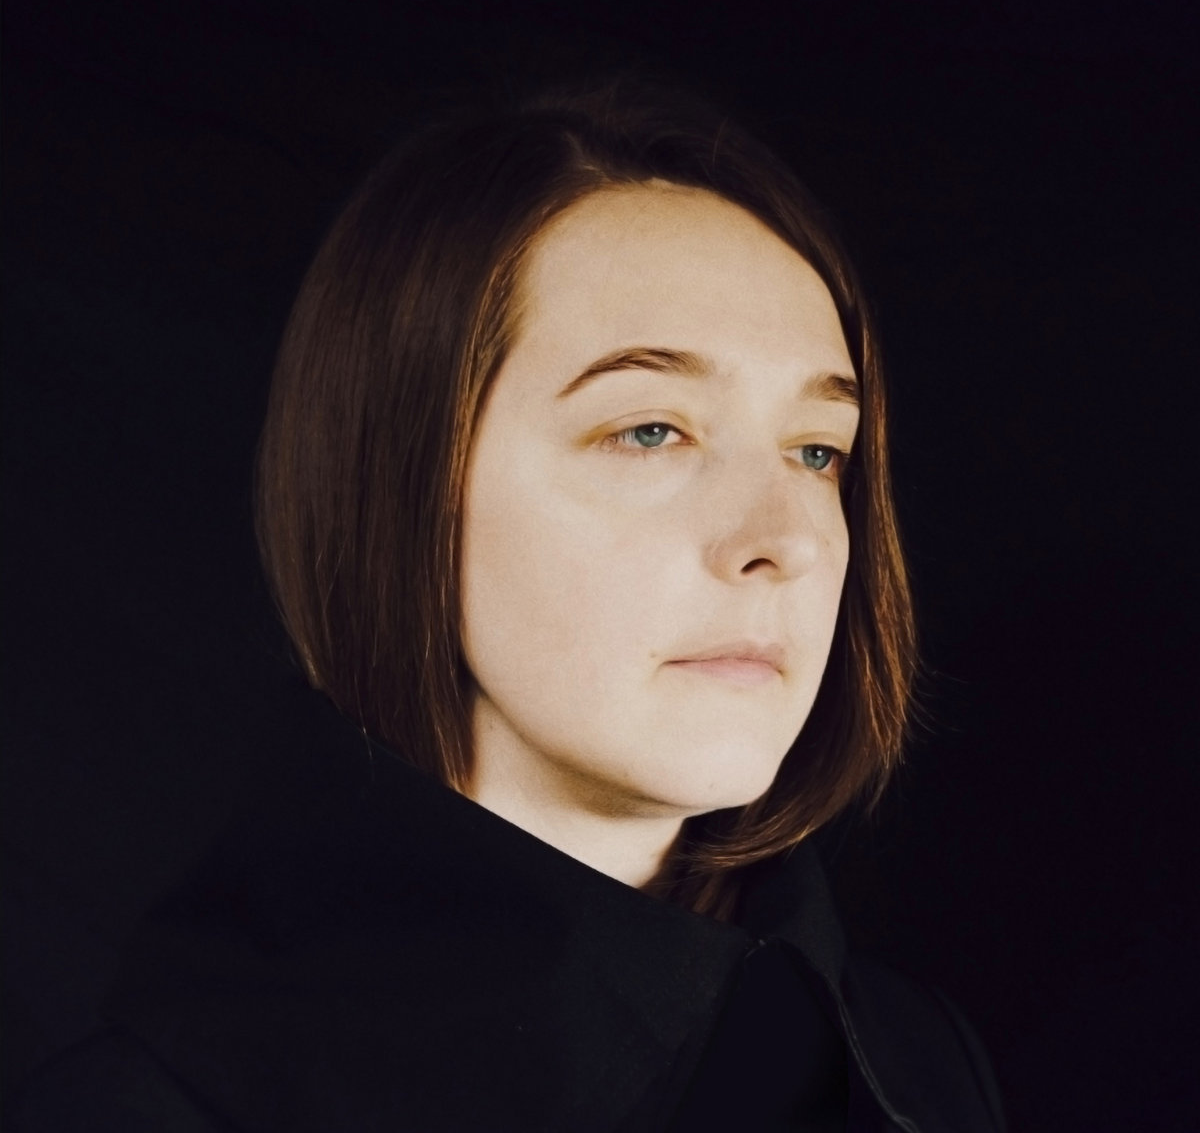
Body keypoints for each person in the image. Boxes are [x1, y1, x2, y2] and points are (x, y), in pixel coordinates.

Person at [14, 77, 1005, 1131]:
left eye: (817, 451)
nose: (788, 540)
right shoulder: (144, 1111)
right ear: (399, 490)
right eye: (650, 431)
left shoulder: (921, 1069)